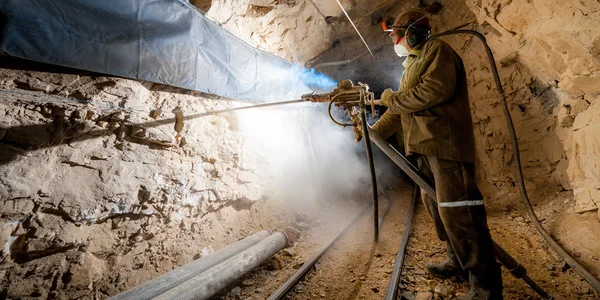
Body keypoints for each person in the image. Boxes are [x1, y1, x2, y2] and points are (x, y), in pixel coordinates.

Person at [373, 9, 503, 300]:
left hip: (445, 145)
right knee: (439, 209)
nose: (394, 40)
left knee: (461, 213)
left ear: (412, 32)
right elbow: (401, 108)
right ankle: (458, 263)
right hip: (424, 146)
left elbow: (431, 92)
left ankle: (486, 288)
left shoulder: (437, 51)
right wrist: (373, 132)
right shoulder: (413, 62)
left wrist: (390, 97)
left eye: (395, 34)